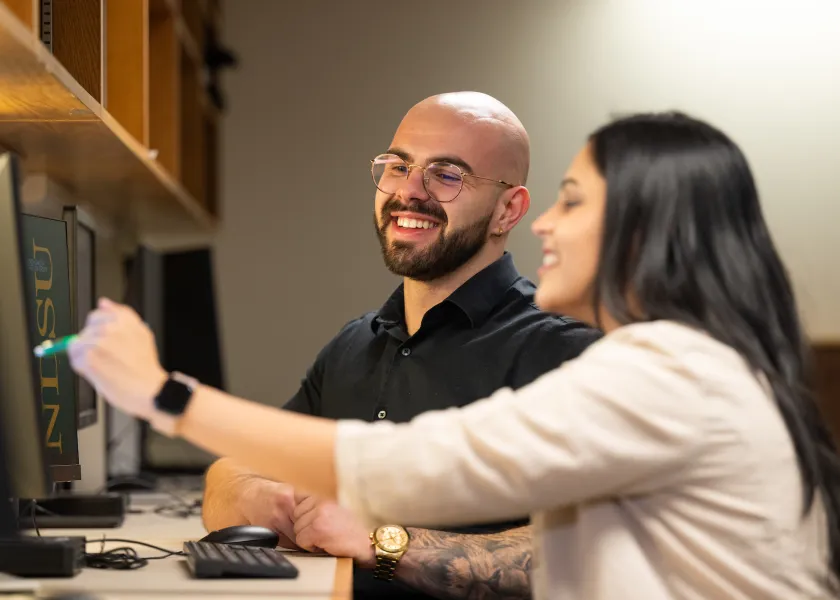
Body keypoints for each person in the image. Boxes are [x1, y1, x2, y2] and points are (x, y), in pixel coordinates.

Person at [69, 111, 840, 600]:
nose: (546, 226)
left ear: (641, 233)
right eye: (399, 166)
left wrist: (163, 393)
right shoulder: (691, 365)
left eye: (571, 200)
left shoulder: (661, 374)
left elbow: (418, 466)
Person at [200, 91, 601, 599]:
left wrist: (383, 544)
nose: (409, 192)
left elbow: (589, 553)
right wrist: (257, 495)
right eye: (398, 166)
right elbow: (231, 467)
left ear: (508, 210)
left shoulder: (565, 353)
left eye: (447, 174)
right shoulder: (355, 342)